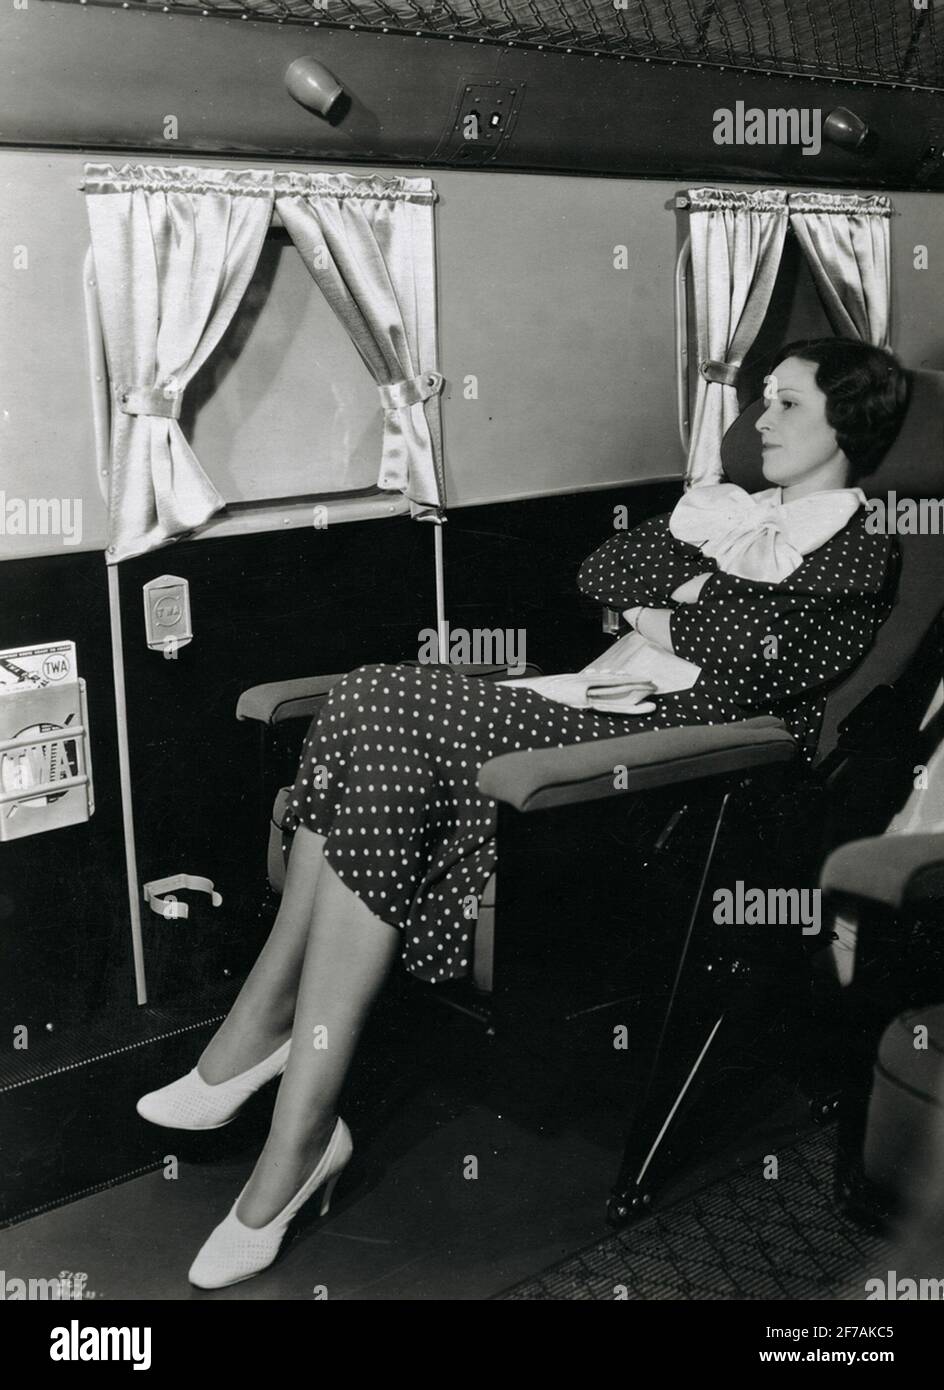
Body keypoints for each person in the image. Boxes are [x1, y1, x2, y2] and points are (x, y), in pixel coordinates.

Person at [136, 337, 909, 1289]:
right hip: (594, 703)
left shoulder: (863, 545)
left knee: (383, 699)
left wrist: (676, 608)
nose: (759, 419)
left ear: (850, 423)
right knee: (372, 697)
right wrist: (685, 584)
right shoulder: (727, 509)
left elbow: (763, 665)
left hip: (678, 764)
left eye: (787, 404)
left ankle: (272, 1078)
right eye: (761, 401)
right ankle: (295, 1110)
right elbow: (603, 579)